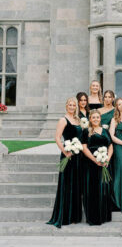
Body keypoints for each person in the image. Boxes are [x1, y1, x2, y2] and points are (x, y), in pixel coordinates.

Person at [47, 98, 82, 228]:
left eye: (74, 105)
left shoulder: (77, 120)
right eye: (70, 105)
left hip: (78, 156)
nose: (72, 107)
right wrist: (65, 151)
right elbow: (57, 137)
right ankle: (65, 216)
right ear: (66, 106)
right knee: (67, 184)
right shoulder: (63, 120)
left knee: (76, 185)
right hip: (67, 155)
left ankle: (74, 216)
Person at [82, 110, 113, 225]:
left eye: (97, 117)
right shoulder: (86, 131)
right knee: (93, 189)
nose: (95, 119)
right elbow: (84, 148)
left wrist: (107, 159)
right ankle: (94, 217)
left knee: (104, 189)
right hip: (91, 164)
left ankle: (104, 216)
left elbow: (110, 146)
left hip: (104, 163)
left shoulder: (105, 131)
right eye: (93, 117)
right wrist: (95, 160)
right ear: (90, 119)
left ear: (100, 118)